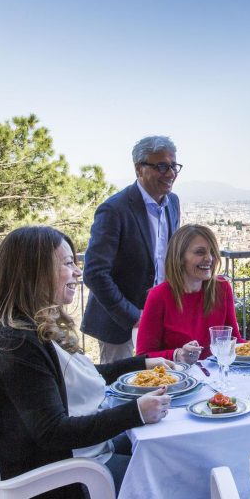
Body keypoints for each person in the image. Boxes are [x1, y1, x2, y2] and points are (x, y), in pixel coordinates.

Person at [0, 226, 173, 499]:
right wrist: (135, 412)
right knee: (168, 475)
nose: (77, 272)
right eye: (68, 263)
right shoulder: (15, 344)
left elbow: (69, 376)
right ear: (35, 271)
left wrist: (140, 363)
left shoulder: (24, 330)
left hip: (71, 462)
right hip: (62, 485)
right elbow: (53, 432)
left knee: (161, 448)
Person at [81, 135, 182, 363]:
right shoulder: (114, 209)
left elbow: (170, 258)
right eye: (162, 166)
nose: (171, 173)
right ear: (139, 169)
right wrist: (134, 316)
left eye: (174, 166)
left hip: (160, 315)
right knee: (122, 387)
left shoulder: (173, 202)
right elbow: (95, 273)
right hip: (119, 323)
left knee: (165, 382)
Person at [136, 224, 246, 362]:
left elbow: (235, 342)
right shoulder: (158, 296)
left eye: (212, 252)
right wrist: (177, 354)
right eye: (200, 252)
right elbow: (143, 356)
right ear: (180, 258)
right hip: (176, 378)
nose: (209, 258)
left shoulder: (222, 288)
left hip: (217, 376)